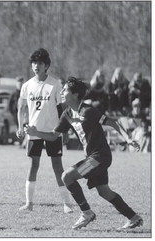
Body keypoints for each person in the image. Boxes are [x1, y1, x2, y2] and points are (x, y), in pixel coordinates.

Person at [25, 76, 143, 230]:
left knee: (67, 176)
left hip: (100, 157)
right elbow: (53, 136)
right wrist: (36, 132)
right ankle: (134, 218)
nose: (61, 91)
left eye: (65, 89)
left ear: (75, 94)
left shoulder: (88, 110)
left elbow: (113, 122)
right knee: (104, 192)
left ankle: (86, 213)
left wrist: (128, 139)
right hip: (93, 158)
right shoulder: (67, 114)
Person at [16, 48, 72, 213]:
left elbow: (62, 108)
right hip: (34, 132)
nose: (36, 66)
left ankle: (67, 203)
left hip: (52, 132)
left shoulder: (55, 84)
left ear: (46, 65)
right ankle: (29, 203)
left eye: (40, 63)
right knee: (33, 165)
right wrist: (20, 127)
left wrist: (65, 131)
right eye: (34, 63)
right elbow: (21, 108)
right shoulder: (27, 86)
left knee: (57, 166)